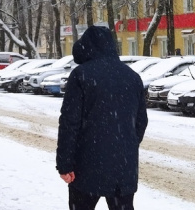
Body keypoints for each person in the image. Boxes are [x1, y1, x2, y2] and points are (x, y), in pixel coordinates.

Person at [56, 26, 148, 210]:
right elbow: (140, 122)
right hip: (123, 166)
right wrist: (124, 146)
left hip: (87, 166)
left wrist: (65, 164)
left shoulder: (81, 75)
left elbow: (69, 123)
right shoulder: (132, 77)